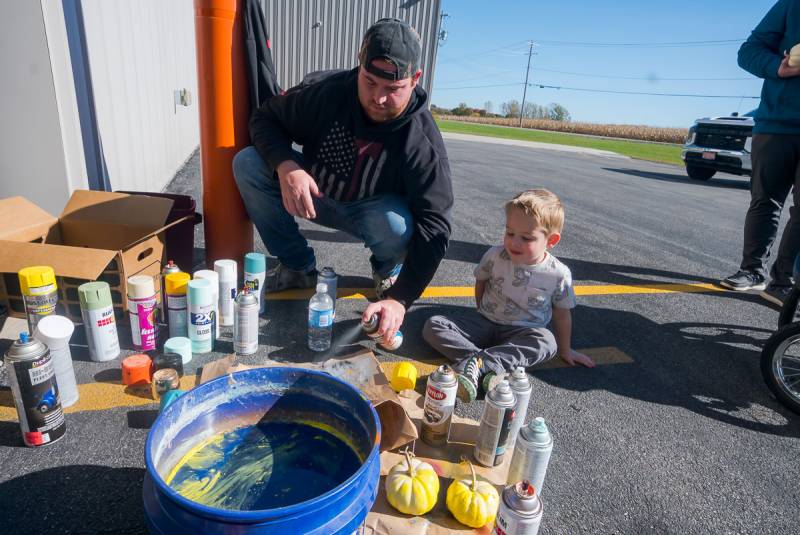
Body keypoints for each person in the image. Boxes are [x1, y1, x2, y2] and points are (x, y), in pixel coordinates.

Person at [233, 18, 453, 340]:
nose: (378, 98)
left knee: (397, 224)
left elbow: (436, 224)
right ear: (359, 65)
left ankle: (387, 270)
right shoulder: (327, 91)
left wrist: (400, 299)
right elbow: (264, 117)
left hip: (372, 214)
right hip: (317, 195)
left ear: (415, 78)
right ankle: (297, 266)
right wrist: (287, 167)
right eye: (369, 82)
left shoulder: (421, 140)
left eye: (392, 89)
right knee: (248, 163)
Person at [422, 189, 594, 402]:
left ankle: (478, 363)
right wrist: (481, 310)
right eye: (510, 233)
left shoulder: (558, 274)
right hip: (485, 322)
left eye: (526, 238)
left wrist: (566, 349)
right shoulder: (496, 255)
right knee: (434, 325)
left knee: (547, 343)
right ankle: (487, 365)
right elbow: (481, 281)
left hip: (522, 333)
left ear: (551, 240)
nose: (514, 242)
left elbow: (562, 314)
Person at [719, 0, 800, 305]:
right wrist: (777, 67)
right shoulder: (792, 5)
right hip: (775, 124)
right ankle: (752, 270)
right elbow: (748, 52)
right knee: (765, 200)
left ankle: (784, 281)